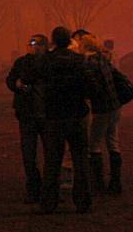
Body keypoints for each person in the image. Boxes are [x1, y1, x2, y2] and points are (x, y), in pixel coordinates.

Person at [29, 25, 97, 214]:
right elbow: (91, 86)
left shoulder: (46, 61)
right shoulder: (79, 60)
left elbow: (32, 77)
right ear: (69, 41)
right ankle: (83, 201)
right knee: (80, 159)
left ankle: (49, 202)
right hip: (76, 114)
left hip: (54, 115)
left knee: (52, 160)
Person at [77, 32, 123, 194]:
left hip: (101, 107)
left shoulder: (87, 62)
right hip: (115, 105)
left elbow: (91, 86)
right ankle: (116, 181)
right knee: (113, 143)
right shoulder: (104, 59)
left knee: (94, 144)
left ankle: (99, 183)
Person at [5, 34, 47, 204]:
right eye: (30, 43)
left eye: (36, 43)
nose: (32, 46)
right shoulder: (21, 62)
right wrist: (16, 85)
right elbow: (10, 79)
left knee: (50, 152)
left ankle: (48, 188)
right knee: (29, 154)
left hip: (46, 113)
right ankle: (34, 188)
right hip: (27, 113)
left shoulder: (47, 62)